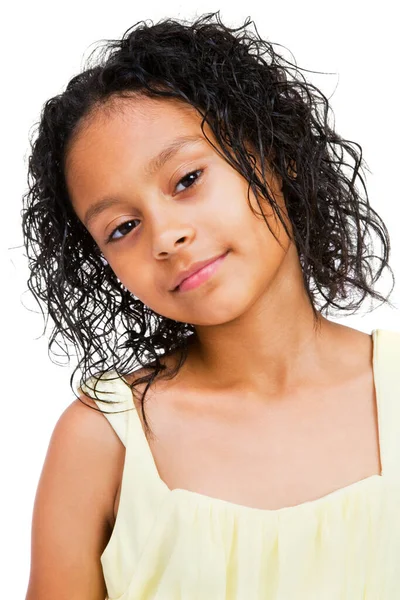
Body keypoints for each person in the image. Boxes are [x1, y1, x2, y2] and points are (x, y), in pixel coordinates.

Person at [23, 11, 400, 600]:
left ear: (279, 156)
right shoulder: (102, 442)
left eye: (186, 179)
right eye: (123, 227)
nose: (166, 235)